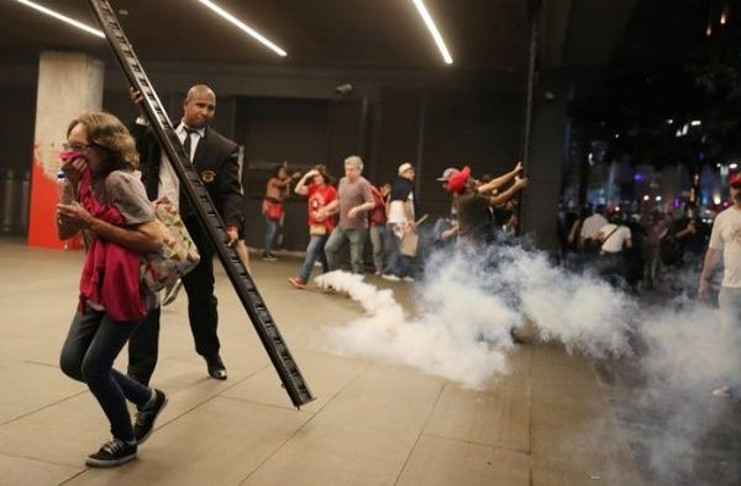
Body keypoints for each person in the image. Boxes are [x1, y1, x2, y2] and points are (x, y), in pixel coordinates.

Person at [57, 112, 168, 467]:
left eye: (79, 147)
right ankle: (147, 398)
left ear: (103, 147)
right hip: (96, 283)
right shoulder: (82, 179)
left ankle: (125, 440)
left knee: (93, 367)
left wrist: (93, 222)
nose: (69, 154)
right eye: (68, 146)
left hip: (128, 286)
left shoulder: (121, 181)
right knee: (72, 362)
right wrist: (70, 185)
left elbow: (153, 237)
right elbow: (63, 233)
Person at [128, 84, 243, 383]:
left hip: (196, 236)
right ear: (185, 104)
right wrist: (143, 114)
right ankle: (138, 373)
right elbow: (133, 150)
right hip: (156, 229)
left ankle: (210, 353)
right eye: (200, 105)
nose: (204, 112)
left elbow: (231, 193)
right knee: (147, 299)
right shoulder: (159, 134)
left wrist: (232, 225)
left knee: (203, 300)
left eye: (210, 108)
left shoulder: (223, 148)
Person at [699, 173, 741, 399]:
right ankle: (730, 382)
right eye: (735, 187)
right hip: (731, 289)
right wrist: (704, 279)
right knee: (729, 338)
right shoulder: (723, 218)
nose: (738, 191)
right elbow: (713, 251)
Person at [447, 162, 528, 245]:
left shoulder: (467, 193)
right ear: (466, 184)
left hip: (479, 239)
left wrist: (514, 172)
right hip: (474, 247)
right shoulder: (470, 199)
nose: (473, 178)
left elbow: (493, 184)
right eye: (469, 177)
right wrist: (517, 186)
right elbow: (499, 199)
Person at [323, 155, 375, 274]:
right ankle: (336, 278)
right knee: (330, 248)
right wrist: (325, 210)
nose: (348, 172)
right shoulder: (342, 181)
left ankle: (358, 286)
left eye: (351, 170)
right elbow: (338, 200)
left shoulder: (363, 184)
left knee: (356, 259)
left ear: (359, 170)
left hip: (358, 228)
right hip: (342, 225)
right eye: (346, 169)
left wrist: (357, 209)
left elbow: (371, 203)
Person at [288, 165, 337, 288]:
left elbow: (337, 207)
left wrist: (326, 212)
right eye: (313, 176)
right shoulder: (312, 188)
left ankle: (302, 279)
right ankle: (331, 281)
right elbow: (297, 190)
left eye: (317, 176)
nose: (315, 178)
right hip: (314, 225)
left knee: (311, 251)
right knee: (323, 255)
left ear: (323, 176)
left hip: (325, 226)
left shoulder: (330, 190)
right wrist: (306, 176)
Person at [383, 163, 418, 282]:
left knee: (397, 246)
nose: (413, 174)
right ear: (403, 173)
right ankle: (396, 272)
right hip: (403, 221)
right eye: (410, 172)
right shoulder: (408, 186)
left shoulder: (394, 187)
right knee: (407, 247)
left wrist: (389, 218)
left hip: (394, 220)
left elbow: (387, 204)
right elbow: (406, 204)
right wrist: (411, 220)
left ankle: (400, 272)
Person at [262, 165, 293, 261]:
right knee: (271, 229)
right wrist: (290, 179)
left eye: (284, 172)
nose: (283, 174)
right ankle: (266, 252)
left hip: (277, 208)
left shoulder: (283, 183)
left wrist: (288, 183)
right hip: (269, 206)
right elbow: (281, 184)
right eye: (281, 172)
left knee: (273, 230)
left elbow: (286, 194)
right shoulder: (273, 180)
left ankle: (268, 251)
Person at [368, 182, 390, 275]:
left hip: (386, 226)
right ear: (381, 188)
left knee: (387, 248)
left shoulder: (391, 199)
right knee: (377, 248)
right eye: (385, 188)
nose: (387, 190)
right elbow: (374, 205)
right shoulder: (376, 196)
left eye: (389, 189)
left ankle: (386, 268)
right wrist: (381, 197)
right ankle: (378, 268)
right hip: (374, 225)